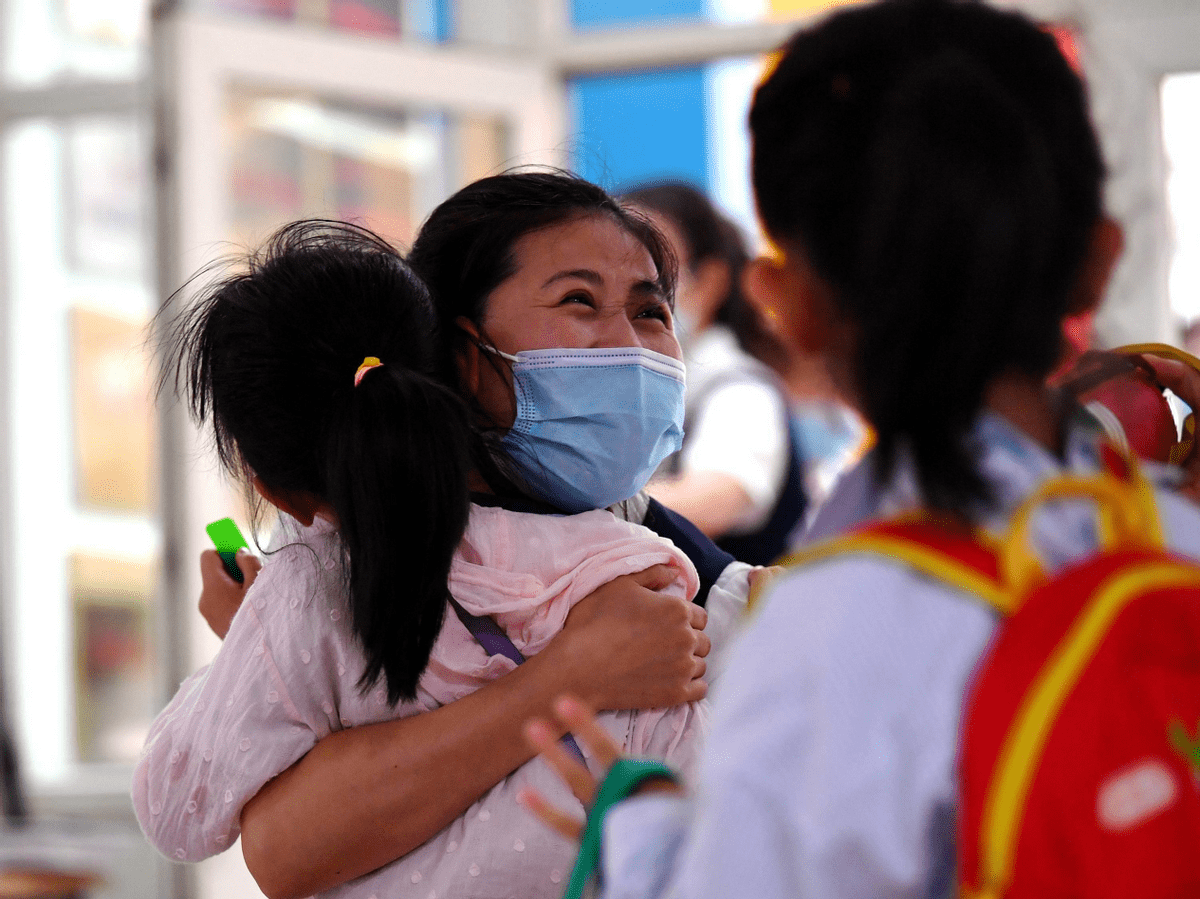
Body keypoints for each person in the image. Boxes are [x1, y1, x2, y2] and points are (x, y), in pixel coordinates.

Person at [519, 2, 1200, 896]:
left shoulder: (830, 631)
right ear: (1098, 261)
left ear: (785, 302)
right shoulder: (1174, 540)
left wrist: (640, 830)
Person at [144, 173, 757, 899]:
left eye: (652, 310)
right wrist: (570, 674)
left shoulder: (664, 553)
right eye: (579, 301)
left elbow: (203, 812)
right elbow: (284, 847)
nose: (630, 347)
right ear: (459, 354)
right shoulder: (336, 563)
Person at [625, 183, 808, 565]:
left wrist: (581, 518)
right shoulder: (629, 386)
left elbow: (718, 496)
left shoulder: (739, 389)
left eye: (651, 273)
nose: (625, 296)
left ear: (709, 283)